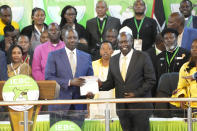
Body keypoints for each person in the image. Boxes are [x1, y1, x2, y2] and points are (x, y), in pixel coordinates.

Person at [99, 32, 155, 131]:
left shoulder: (143, 56)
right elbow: (111, 83)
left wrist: (136, 93)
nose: (123, 44)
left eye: (126, 41)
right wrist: (100, 85)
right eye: (120, 42)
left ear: (131, 42)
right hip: (122, 108)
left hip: (140, 107)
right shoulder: (113, 60)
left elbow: (151, 80)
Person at [45, 28, 93, 127]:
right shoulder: (53, 55)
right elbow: (49, 78)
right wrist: (70, 82)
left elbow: (89, 79)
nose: (72, 40)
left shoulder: (86, 57)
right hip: (58, 107)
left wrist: (91, 92)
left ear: (78, 39)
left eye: (75, 37)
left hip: (79, 107)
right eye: (69, 37)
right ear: (63, 39)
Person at [89, 41, 117, 119]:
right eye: (103, 49)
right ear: (100, 51)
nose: (105, 51)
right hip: (96, 102)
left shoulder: (117, 64)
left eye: (108, 49)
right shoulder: (93, 64)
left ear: (112, 51)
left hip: (113, 101)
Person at [171, 39, 197, 108]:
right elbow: (181, 87)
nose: (194, 49)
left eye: (196, 47)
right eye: (192, 47)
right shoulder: (185, 67)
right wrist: (181, 95)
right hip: (192, 107)